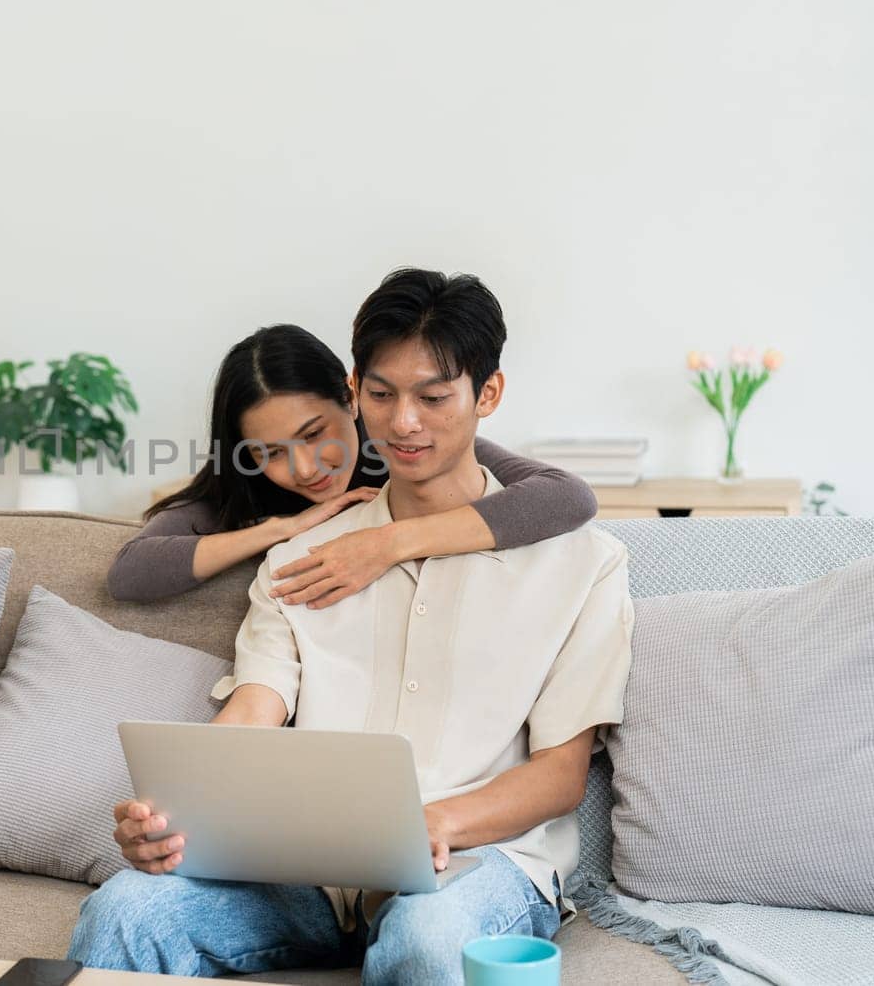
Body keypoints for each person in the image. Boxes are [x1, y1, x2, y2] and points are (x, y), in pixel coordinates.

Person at [69, 269, 634, 986]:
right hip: (307, 878)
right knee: (127, 908)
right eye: (382, 394)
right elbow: (253, 709)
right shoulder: (298, 561)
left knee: (426, 937)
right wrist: (178, 812)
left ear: (486, 394)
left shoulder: (582, 564)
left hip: (476, 862)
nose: (404, 422)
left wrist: (433, 823)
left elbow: (558, 777)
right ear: (354, 386)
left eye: (433, 397)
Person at [106, 324, 596, 608]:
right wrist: (281, 529)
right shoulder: (244, 486)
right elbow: (130, 575)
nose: (303, 468)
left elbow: (567, 496)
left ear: (352, 395)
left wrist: (385, 544)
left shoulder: (403, 448)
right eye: (270, 452)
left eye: (314, 433)